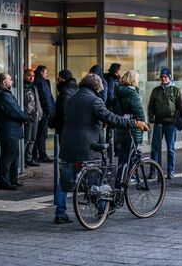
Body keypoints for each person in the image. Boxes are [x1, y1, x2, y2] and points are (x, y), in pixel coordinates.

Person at [54, 73, 148, 224]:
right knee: (99, 177)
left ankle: (60, 213)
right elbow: (110, 117)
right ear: (96, 87)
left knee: (64, 182)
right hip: (88, 147)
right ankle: (102, 209)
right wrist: (134, 123)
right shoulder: (94, 100)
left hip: (67, 145)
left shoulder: (72, 98)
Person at [0, 73, 29, 190]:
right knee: (7, 157)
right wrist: (25, 117)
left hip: (10, 130)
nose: (12, 81)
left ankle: (13, 179)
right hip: (8, 130)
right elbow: (14, 111)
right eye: (10, 79)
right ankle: (4, 182)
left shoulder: (3, 94)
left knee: (14, 156)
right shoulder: (3, 96)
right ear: (4, 82)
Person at [148, 67, 182, 180]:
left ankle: (170, 171)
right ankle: (153, 171)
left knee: (170, 148)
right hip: (158, 122)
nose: (163, 79)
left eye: (165, 77)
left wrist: (178, 119)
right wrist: (151, 117)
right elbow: (151, 105)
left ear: (169, 77)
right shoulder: (156, 90)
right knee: (154, 148)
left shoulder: (175, 90)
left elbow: (180, 106)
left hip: (170, 123)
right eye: (162, 77)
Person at [113, 70, 145, 168]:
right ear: (133, 79)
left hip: (121, 124)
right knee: (131, 153)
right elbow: (138, 110)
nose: (138, 80)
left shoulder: (119, 91)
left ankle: (121, 174)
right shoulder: (132, 93)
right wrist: (143, 123)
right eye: (137, 78)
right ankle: (130, 174)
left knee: (123, 152)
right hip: (132, 125)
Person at [34, 65, 56, 163]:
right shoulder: (42, 82)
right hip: (43, 112)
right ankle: (42, 155)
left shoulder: (35, 81)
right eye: (46, 73)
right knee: (42, 135)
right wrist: (49, 111)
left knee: (36, 135)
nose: (46, 75)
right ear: (42, 72)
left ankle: (35, 156)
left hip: (37, 112)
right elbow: (46, 98)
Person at [50, 70, 77, 145]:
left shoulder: (65, 91)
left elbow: (62, 110)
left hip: (64, 125)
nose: (57, 79)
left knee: (63, 144)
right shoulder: (76, 89)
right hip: (73, 123)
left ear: (63, 79)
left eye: (59, 76)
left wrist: (53, 122)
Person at [23, 68, 43, 167]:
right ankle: (21, 161)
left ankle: (28, 159)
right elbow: (22, 104)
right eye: (29, 75)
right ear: (24, 76)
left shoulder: (34, 87)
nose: (31, 77)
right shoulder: (22, 88)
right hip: (28, 117)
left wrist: (39, 113)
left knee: (32, 139)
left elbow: (37, 102)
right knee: (26, 139)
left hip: (35, 116)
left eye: (33, 76)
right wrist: (25, 116)